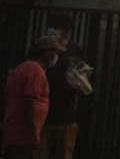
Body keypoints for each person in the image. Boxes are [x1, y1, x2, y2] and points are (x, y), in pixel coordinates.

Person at [2, 36, 65, 159]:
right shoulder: (35, 71)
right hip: (23, 136)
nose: (55, 56)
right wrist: (34, 134)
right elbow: (29, 104)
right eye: (54, 52)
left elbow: (5, 98)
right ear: (46, 53)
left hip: (14, 134)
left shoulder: (22, 67)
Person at [41, 13, 90, 159]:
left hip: (66, 117)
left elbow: (82, 76)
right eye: (52, 28)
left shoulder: (75, 49)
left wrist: (80, 82)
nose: (54, 31)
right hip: (43, 117)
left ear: (65, 31)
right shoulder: (41, 47)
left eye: (58, 28)